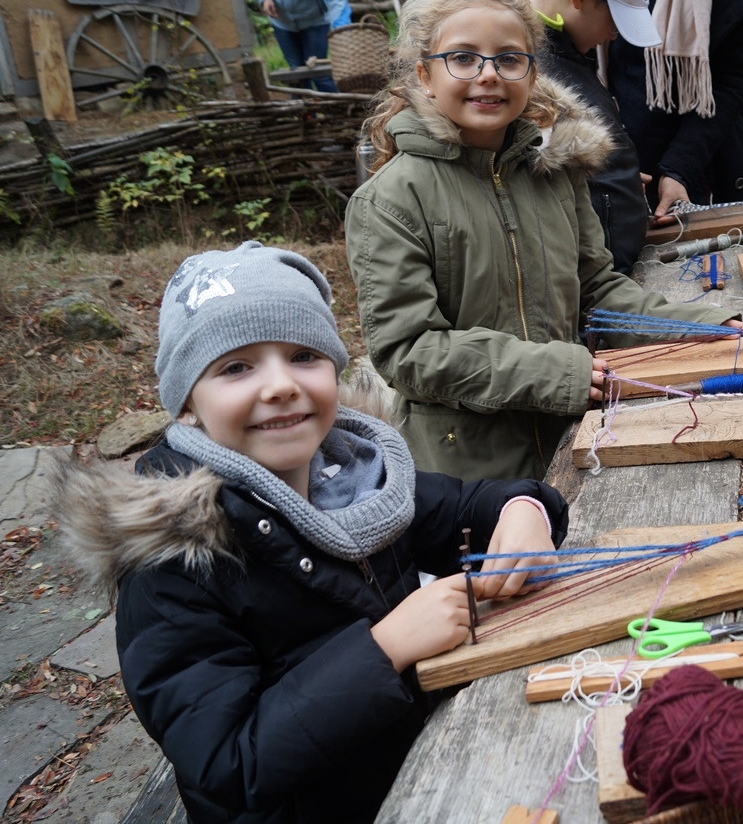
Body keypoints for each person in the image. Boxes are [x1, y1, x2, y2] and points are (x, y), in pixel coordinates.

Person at [59, 242, 569, 823]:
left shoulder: (357, 475)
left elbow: (464, 505)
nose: (279, 385)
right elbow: (228, 765)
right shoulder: (173, 559)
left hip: (423, 771)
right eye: (235, 367)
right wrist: (386, 647)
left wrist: (523, 508)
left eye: (303, 355)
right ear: (186, 407)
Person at [345, 0, 743, 482]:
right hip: (469, 471)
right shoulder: (391, 201)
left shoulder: (554, 175)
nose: (488, 74)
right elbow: (409, 351)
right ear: (425, 75)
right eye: (463, 57)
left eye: (509, 58)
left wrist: (693, 325)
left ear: (533, 75)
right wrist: (556, 373)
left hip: (574, 435)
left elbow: (596, 290)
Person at [607, 0, 743, 224]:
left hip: (708, 154)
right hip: (624, 155)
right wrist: (612, 160)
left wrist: (680, 167)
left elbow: (734, 76)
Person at [531, 0, 662, 271]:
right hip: (591, 289)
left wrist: (614, 178)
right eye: (615, 20)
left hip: (610, 277)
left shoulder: (571, 57)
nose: (614, 35)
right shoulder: (532, 75)